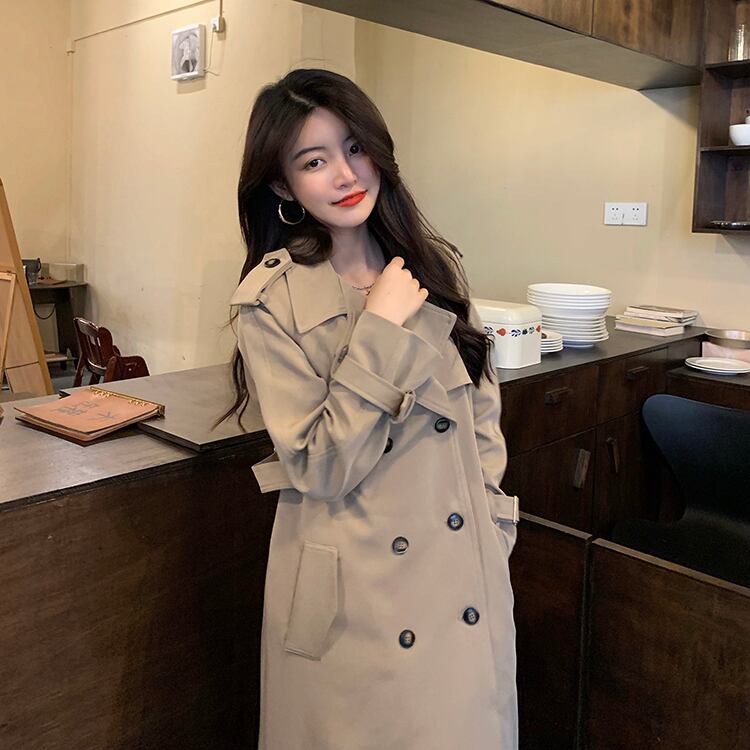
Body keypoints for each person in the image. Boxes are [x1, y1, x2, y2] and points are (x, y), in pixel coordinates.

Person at [223, 68, 519, 749]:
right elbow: (320, 466)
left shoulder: (432, 269)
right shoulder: (270, 302)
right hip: (356, 599)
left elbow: (482, 418)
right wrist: (380, 329)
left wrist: (490, 525)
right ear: (282, 185)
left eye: (355, 148)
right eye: (313, 161)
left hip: (459, 580)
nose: (345, 174)